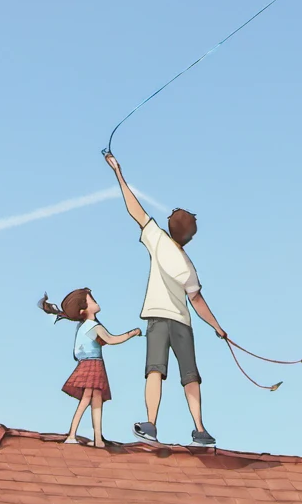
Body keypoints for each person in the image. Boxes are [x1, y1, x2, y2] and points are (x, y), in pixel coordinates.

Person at [104, 152, 226, 447]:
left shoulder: (157, 240)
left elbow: (135, 210)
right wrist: (217, 327)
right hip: (182, 322)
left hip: (158, 318)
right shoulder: (188, 267)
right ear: (190, 238)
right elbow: (197, 303)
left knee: (154, 370)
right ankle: (199, 429)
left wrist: (118, 173)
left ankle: (151, 424)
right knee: (190, 375)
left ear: (170, 226)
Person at [38, 287, 141, 448]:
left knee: (96, 399)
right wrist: (132, 333)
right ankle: (72, 434)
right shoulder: (93, 326)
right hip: (92, 364)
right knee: (87, 399)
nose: (95, 301)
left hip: (91, 363)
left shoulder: (84, 326)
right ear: (83, 310)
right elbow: (112, 340)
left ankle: (98, 438)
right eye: (91, 300)